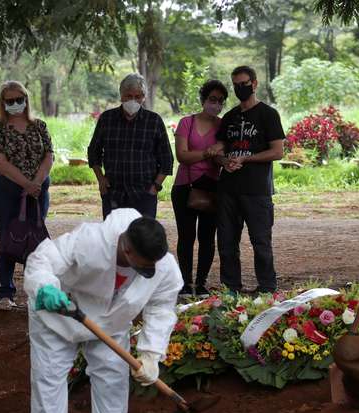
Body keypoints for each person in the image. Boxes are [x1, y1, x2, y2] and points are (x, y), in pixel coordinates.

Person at [22, 210, 182, 413]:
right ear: (127, 249)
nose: (149, 270)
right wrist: (45, 287)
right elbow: (43, 260)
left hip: (110, 323)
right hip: (59, 313)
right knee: (49, 379)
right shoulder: (90, 240)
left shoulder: (164, 266)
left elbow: (161, 308)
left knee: (113, 382)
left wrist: (150, 354)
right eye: (141, 265)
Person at [211, 65, 284, 294]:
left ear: (254, 83)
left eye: (244, 84)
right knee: (226, 243)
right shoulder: (229, 117)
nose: (239, 88)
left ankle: (267, 290)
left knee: (261, 243)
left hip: (257, 190)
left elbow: (278, 152)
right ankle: (230, 291)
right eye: (235, 85)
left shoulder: (268, 114)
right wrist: (223, 161)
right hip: (228, 189)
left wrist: (247, 158)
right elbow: (220, 149)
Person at [0, 81, 53, 310]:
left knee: (36, 241)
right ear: (3, 103)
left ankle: (37, 292)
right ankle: (6, 293)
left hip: (37, 192)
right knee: (8, 238)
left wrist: (37, 183)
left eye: (19, 99)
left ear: (26, 100)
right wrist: (26, 183)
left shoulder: (39, 126)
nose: (15, 104)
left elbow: (49, 156)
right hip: (6, 192)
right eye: (10, 101)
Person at [87, 73, 174, 219]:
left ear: (143, 97)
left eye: (138, 96)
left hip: (144, 195)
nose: (133, 100)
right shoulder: (107, 119)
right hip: (113, 193)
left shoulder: (154, 121)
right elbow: (93, 152)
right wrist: (101, 179)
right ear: (121, 96)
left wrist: (155, 187)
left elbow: (167, 159)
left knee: (143, 233)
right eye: (128, 96)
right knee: (114, 233)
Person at [172, 79, 228, 297]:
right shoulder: (186, 122)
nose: (216, 105)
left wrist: (220, 151)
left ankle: (201, 283)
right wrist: (207, 153)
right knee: (186, 237)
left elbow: (222, 154)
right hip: (185, 187)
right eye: (212, 99)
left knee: (207, 238)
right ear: (204, 100)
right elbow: (182, 155)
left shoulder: (222, 126)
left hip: (211, 187)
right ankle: (185, 284)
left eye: (221, 101)